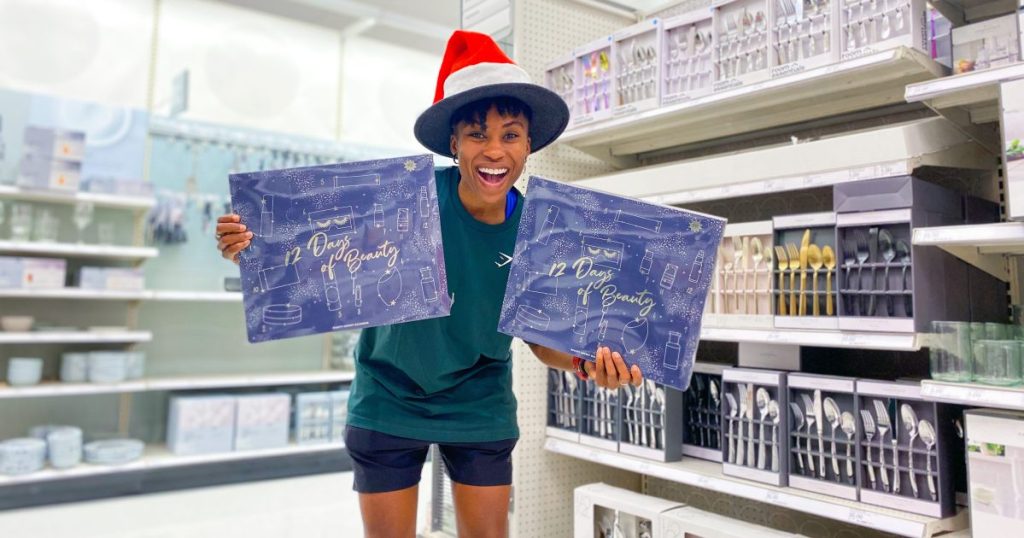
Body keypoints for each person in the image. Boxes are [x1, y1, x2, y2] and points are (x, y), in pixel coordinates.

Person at [215, 30, 642, 538]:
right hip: (387, 392)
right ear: (454, 144)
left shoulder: (541, 232)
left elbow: (541, 338)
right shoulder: (401, 199)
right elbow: (319, 257)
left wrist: (584, 361)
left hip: (479, 399)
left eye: (510, 135)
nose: (494, 150)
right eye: (477, 135)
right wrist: (255, 248)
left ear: (529, 144)